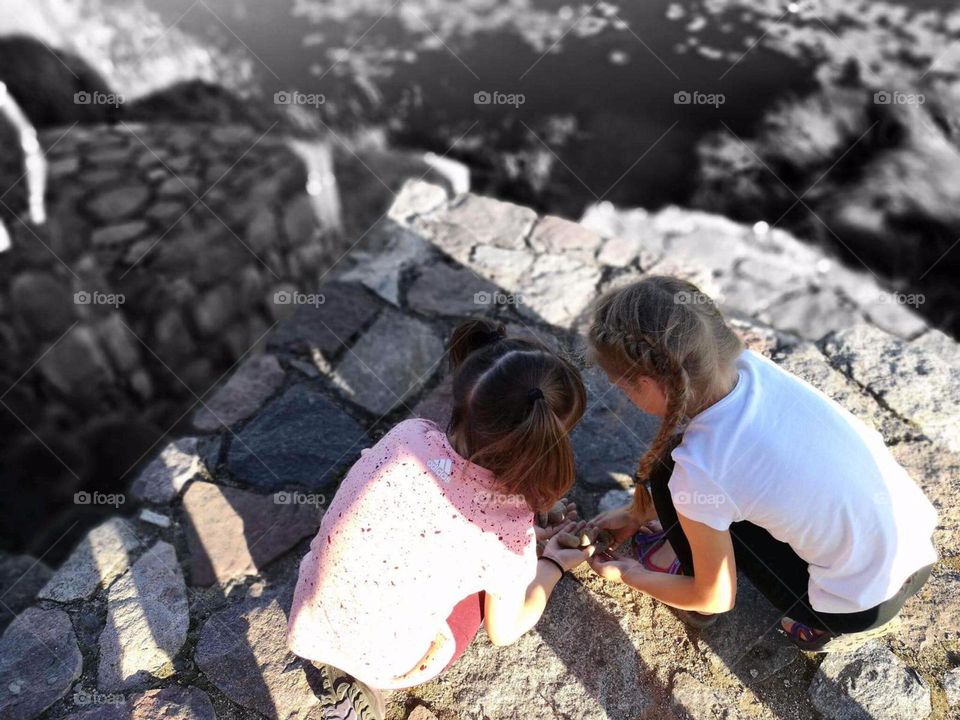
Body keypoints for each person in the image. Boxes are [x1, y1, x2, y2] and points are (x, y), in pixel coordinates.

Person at [586, 276, 937, 652]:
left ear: (652, 384)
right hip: (918, 550)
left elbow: (715, 596)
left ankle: (818, 622)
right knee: (691, 483)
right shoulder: (752, 367)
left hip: (859, 606)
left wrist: (628, 574)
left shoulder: (699, 468)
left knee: (671, 477)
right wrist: (636, 513)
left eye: (622, 387)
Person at [287, 319, 593, 719]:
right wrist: (550, 563)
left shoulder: (408, 435)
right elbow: (506, 631)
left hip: (311, 616)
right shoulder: (504, 535)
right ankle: (368, 677)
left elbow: (433, 513)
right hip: (391, 661)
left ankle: (344, 663)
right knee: (484, 600)